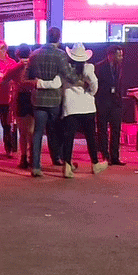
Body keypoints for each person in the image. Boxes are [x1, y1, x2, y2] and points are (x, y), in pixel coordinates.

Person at [25, 27, 75, 177]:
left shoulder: (34, 54)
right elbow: (68, 74)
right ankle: (59, 159)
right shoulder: (60, 55)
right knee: (56, 131)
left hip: (38, 98)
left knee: (38, 132)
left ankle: (36, 166)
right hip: (54, 99)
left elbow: (28, 75)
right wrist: (79, 80)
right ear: (59, 38)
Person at [59, 43, 106, 177]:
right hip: (87, 107)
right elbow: (94, 84)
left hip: (71, 107)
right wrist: (90, 93)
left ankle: (67, 166)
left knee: (69, 137)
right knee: (91, 137)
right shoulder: (88, 68)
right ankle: (95, 164)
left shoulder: (66, 69)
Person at [93, 45, 126, 165]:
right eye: (119, 55)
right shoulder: (99, 67)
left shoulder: (119, 67)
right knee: (102, 130)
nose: (121, 57)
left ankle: (115, 156)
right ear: (111, 55)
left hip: (116, 103)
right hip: (103, 102)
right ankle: (105, 156)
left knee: (116, 130)